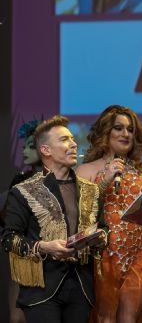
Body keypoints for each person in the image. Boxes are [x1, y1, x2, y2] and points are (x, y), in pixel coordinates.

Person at [1, 115, 106, 323]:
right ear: (45, 150)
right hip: (42, 289)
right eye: (64, 139)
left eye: (73, 139)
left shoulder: (90, 190)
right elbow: (8, 238)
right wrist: (44, 247)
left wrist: (100, 238)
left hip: (81, 287)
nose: (74, 143)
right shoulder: (23, 191)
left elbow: (103, 229)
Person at [75, 105, 142, 323]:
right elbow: (81, 215)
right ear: (105, 131)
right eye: (118, 128)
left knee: (129, 318)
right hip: (103, 256)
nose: (125, 134)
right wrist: (106, 178)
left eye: (130, 130)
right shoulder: (86, 170)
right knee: (104, 317)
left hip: (138, 256)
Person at [1, 119, 42, 323]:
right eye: (24, 145)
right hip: (21, 258)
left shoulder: (63, 181)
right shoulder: (19, 181)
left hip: (50, 262)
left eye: (31, 146)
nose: (25, 150)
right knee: (17, 318)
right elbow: (7, 220)